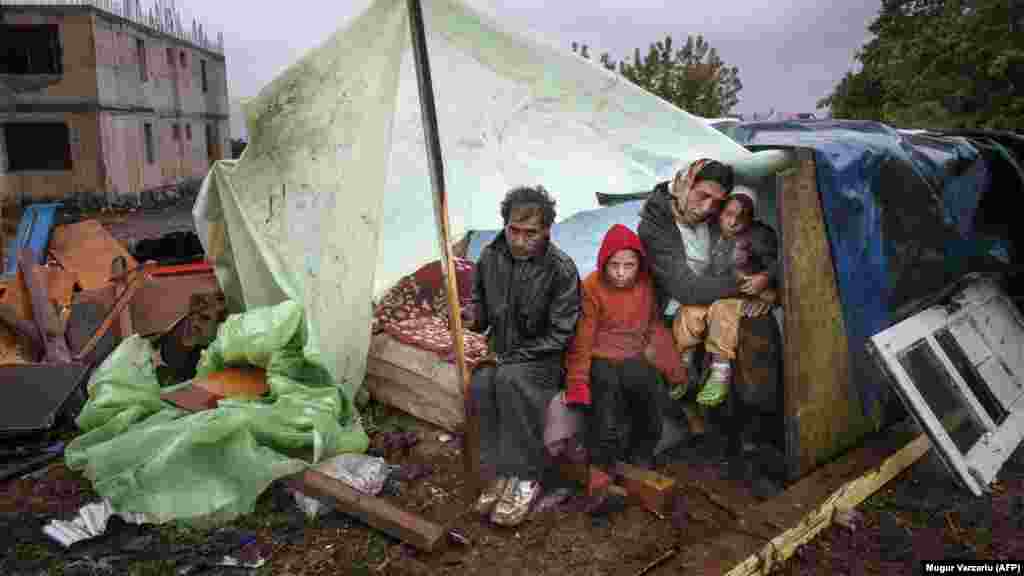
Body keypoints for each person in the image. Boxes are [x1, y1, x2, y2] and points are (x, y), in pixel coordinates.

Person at [464, 185, 581, 527]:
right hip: (502, 353)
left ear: (546, 230)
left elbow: (561, 334)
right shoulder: (490, 257)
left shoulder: (560, 269)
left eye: (530, 233)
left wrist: (515, 357)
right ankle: (501, 473)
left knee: (510, 380)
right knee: (482, 383)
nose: (519, 240)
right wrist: (472, 315)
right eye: (513, 230)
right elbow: (482, 311)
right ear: (505, 224)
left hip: (543, 359)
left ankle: (527, 476)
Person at [563, 224, 688, 473]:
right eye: (614, 265)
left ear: (638, 264)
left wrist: (675, 369)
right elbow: (584, 336)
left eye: (628, 266)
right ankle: (602, 468)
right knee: (605, 408)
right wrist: (577, 381)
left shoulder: (646, 285)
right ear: (603, 262)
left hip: (633, 354)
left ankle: (640, 456)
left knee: (650, 397)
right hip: (601, 356)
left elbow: (654, 328)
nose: (621, 273)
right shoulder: (592, 286)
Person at [672, 185, 779, 407]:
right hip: (714, 292)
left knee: (722, 310)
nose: (733, 222)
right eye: (728, 214)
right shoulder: (709, 232)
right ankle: (684, 367)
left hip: (741, 297)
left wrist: (766, 280)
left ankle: (721, 372)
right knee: (688, 313)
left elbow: (781, 265)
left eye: (742, 217)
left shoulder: (760, 236)